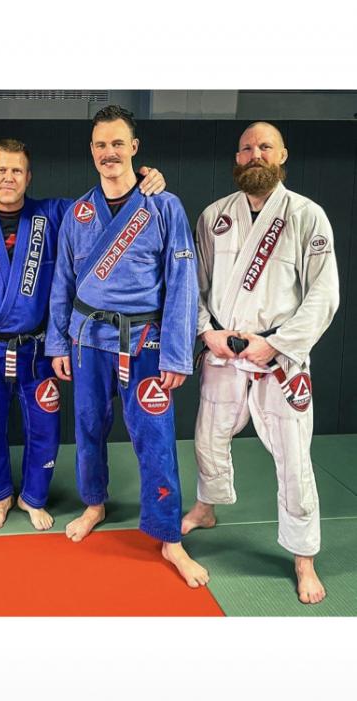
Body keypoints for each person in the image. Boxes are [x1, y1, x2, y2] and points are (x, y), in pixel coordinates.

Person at [0, 138, 166, 531]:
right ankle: (0, 495)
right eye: (1, 170)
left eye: (17, 170)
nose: (8, 178)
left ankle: (33, 497)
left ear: (29, 176)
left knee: (45, 428)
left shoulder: (53, 214)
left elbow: (109, 204)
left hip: (37, 346)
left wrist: (143, 179)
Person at [46, 105, 209, 588]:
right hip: (88, 340)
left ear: (134, 147)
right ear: (91, 150)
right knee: (88, 428)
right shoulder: (78, 212)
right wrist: (58, 342)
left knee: (155, 438)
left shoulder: (164, 205)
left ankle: (169, 536)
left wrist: (177, 353)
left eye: (118, 143)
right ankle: (94, 504)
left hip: (145, 342)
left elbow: (183, 283)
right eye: (101, 144)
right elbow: (62, 281)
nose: (109, 152)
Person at [181, 122, 339, 604]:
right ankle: (207, 506)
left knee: (293, 456)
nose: (256, 154)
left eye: (265, 147)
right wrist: (206, 332)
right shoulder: (214, 216)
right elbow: (194, 286)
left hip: (279, 357)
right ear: (237, 157)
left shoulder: (307, 215)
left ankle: (303, 555)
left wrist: (277, 344)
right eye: (247, 148)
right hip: (224, 349)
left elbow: (323, 295)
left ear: (282, 154)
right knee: (208, 437)